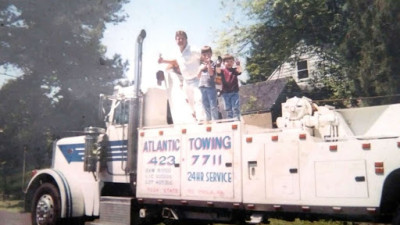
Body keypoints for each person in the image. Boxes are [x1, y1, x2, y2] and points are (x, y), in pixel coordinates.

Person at [158, 30, 205, 121]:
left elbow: (204, 57)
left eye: (182, 38)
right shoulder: (177, 52)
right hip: (186, 81)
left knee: (199, 98)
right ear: (176, 40)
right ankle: (195, 117)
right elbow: (175, 62)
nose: (180, 40)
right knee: (189, 102)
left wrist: (202, 69)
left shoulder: (193, 50)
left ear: (186, 39)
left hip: (196, 80)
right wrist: (163, 61)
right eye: (178, 39)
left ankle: (201, 120)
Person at [217, 54, 242, 120]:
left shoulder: (234, 70)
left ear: (233, 62)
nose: (229, 63)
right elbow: (217, 72)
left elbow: (239, 71)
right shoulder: (222, 71)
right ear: (223, 63)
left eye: (231, 61)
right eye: (227, 61)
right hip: (225, 93)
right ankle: (230, 120)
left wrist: (238, 64)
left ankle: (237, 120)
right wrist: (218, 64)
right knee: (228, 108)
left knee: (235, 107)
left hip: (234, 92)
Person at [197, 46, 219, 121]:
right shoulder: (200, 65)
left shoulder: (213, 63)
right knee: (205, 105)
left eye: (208, 54)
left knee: (213, 105)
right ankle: (208, 120)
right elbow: (198, 76)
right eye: (204, 54)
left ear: (211, 54)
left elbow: (211, 74)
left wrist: (208, 64)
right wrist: (201, 69)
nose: (206, 56)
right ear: (202, 55)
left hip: (211, 87)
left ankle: (215, 120)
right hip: (202, 86)